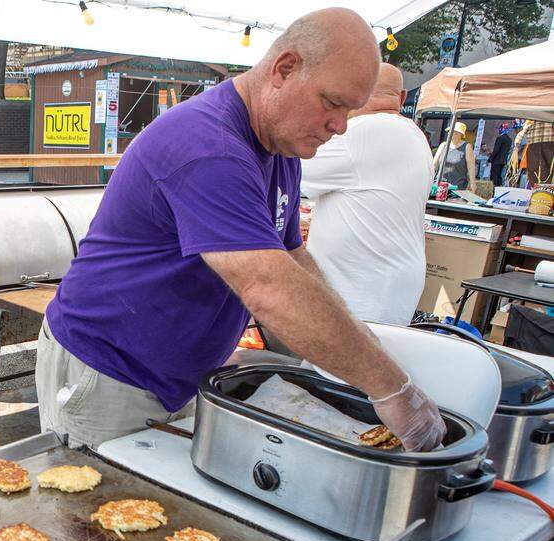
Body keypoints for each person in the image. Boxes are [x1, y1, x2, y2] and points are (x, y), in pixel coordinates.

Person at [36, 8, 445, 453]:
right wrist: (392, 389)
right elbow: (268, 287)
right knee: (97, 497)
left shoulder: (281, 150)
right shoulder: (208, 145)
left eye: (350, 109)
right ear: (284, 69)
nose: (340, 126)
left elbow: (293, 259)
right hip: (108, 372)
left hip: (179, 376)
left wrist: (359, 342)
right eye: (332, 103)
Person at [300, 63, 432, 326]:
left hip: (360, 287)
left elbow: (294, 173)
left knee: (340, 351)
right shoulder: (415, 135)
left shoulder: (362, 131)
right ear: (402, 97)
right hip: (388, 280)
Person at [432, 121, 476, 190]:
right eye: (449, 131)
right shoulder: (443, 145)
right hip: (439, 186)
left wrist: (473, 184)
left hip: (457, 187)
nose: (450, 133)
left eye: (454, 131)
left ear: (460, 134)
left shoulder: (467, 147)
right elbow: (434, 165)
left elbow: (471, 167)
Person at [522, 120, 554, 186]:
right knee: (541, 169)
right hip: (545, 142)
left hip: (538, 143)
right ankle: (543, 188)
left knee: (536, 168)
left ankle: (540, 188)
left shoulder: (531, 118)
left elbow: (524, 129)